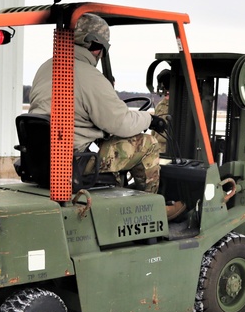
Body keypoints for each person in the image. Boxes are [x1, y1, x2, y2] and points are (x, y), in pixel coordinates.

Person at [28, 13, 178, 215]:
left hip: (42, 159)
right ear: (96, 45)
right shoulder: (89, 76)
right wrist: (149, 119)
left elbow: (78, 115)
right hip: (73, 162)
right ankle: (150, 211)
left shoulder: (47, 67)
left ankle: (122, 194)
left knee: (110, 145)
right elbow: (121, 122)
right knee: (147, 144)